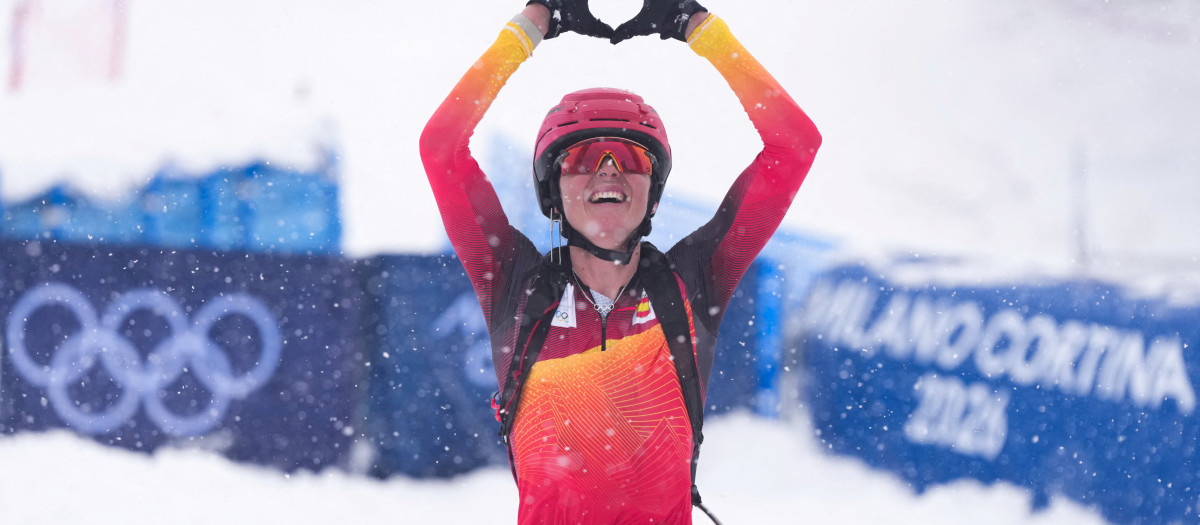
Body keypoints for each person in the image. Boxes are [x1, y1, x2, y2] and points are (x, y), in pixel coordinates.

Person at [420, 0, 821, 523]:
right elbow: (441, 147)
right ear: (553, 193)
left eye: (629, 160)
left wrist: (696, 27)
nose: (607, 173)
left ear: (653, 196)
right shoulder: (516, 286)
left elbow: (794, 146)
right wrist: (535, 20)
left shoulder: (692, 284)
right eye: (583, 160)